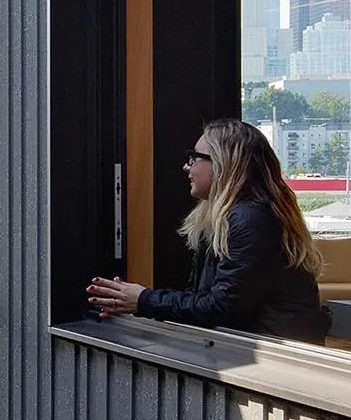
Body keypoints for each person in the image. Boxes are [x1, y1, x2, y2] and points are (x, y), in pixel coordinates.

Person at [87, 118, 330, 342]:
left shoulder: (250, 219)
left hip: (274, 364)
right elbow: (203, 302)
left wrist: (142, 300)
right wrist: (132, 303)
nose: (185, 167)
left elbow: (222, 308)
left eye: (194, 158)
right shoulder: (232, 217)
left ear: (223, 163)